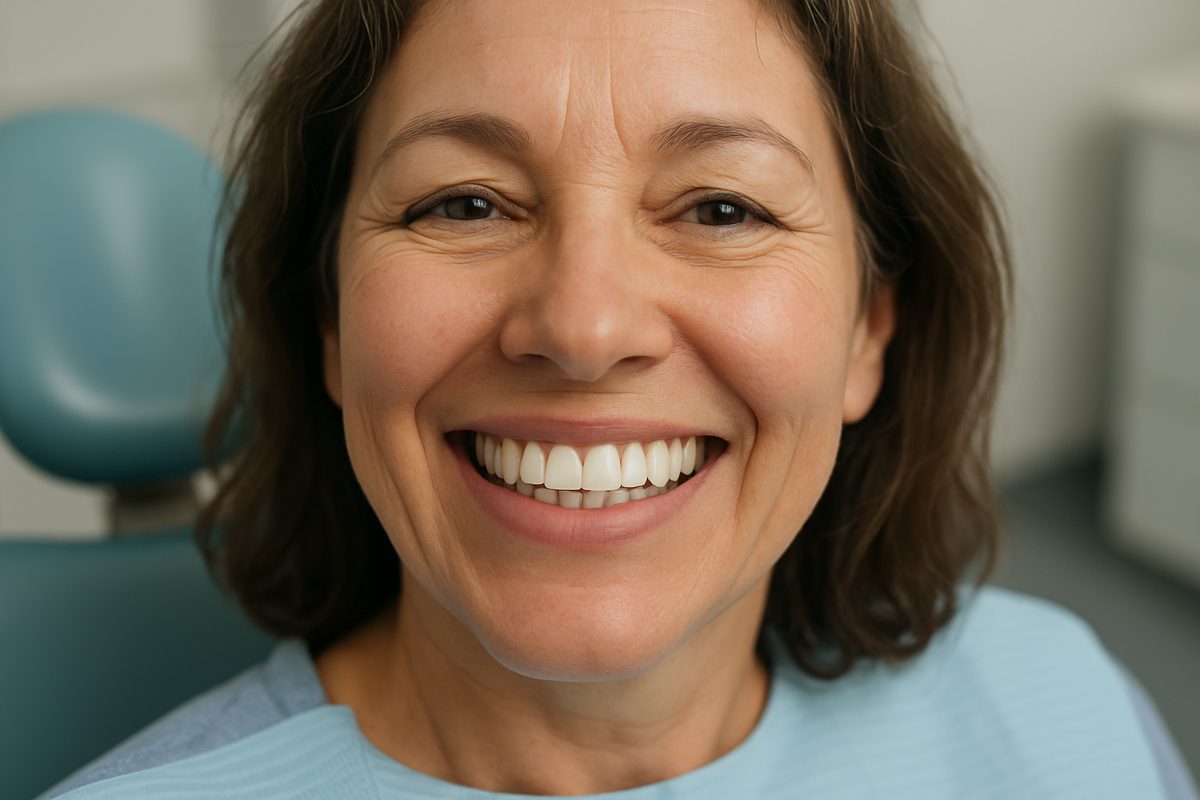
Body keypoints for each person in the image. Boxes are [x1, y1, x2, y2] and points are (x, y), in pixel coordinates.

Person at [46, 0, 1196, 797]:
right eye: (462, 203)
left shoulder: (1065, 703)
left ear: (866, 330)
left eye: (721, 208)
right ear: (334, 326)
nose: (585, 328)